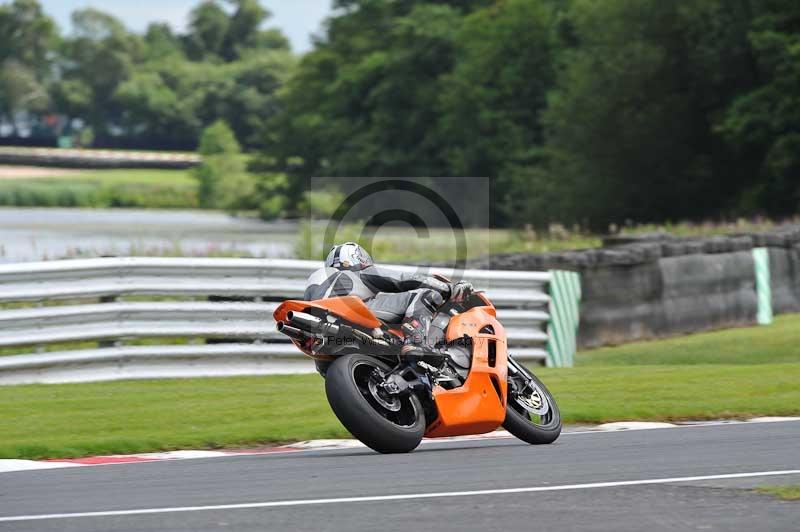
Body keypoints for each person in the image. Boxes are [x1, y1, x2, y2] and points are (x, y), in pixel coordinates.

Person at [304, 242, 472, 366]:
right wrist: (449, 288)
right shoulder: (358, 272)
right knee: (426, 294)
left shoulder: (315, 281)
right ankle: (417, 342)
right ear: (358, 258)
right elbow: (404, 280)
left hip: (322, 335)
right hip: (352, 310)